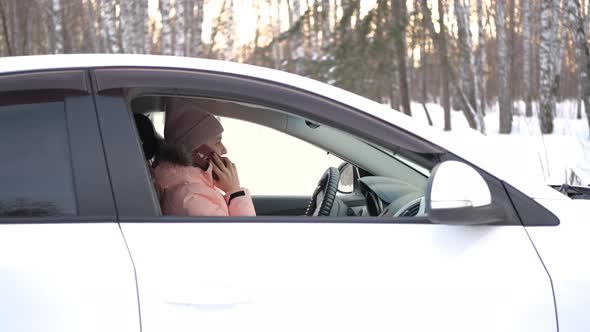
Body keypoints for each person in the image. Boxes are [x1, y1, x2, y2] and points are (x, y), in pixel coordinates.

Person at [152, 97, 256, 216]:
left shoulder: (193, 186)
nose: (224, 149)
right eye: (218, 141)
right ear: (198, 151)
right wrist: (234, 192)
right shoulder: (192, 198)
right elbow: (244, 233)